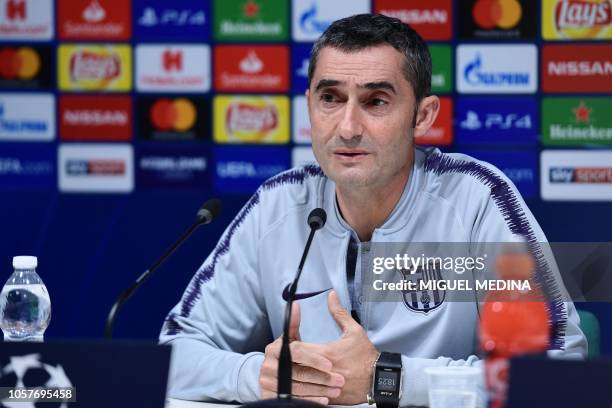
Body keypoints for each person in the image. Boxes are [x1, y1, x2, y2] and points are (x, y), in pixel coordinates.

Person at [160, 14, 586, 407]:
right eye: (330, 98)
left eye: (376, 101)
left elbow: (554, 373)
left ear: (422, 115)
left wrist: (389, 378)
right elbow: (174, 353)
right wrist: (260, 375)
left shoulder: (475, 201)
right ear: (309, 105)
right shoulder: (279, 205)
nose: (347, 127)